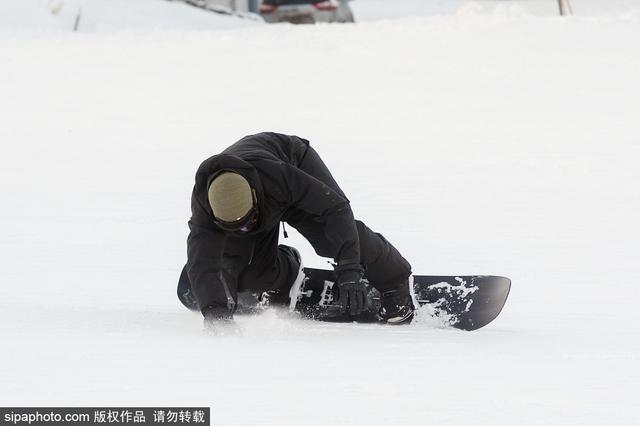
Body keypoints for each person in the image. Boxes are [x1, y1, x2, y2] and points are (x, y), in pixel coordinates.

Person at [182, 132, 414, 330]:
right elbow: (201, 260)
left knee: (330, 236)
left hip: (294, 165)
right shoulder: (205, 205)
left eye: (247, 222)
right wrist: (215, 312)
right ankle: (285, 270)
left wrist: (349, 271)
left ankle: (394, 281)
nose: (245, 230)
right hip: (264, 203)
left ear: (253, 199)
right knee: (247, 273)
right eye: (237, 227)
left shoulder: (280, 177)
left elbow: (336, 210)